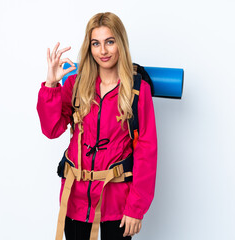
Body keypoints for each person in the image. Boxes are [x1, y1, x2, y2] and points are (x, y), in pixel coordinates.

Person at [36, 12, 157, 240]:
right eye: (96, 44)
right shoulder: (76, 83)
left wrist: (136, 209)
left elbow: (146, 152)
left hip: (117, 200)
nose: (103, 51)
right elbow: (51, 130)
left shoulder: (137, 91)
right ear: (89, 47)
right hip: (76, 198)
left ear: (120, 43)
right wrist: (51, 84)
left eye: (109, 42)